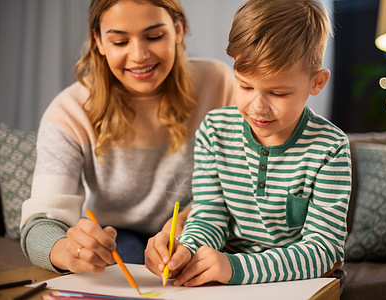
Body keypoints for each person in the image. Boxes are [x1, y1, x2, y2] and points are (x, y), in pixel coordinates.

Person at [145, 0, 351, 287]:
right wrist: (187, 250)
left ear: (316, 82)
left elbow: (323, 251)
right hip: (228, 278)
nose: (258, 107)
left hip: (298, 282)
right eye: (245, 86)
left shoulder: (330, 147)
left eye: (277, 93)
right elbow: (209, 216)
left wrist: (235, 267)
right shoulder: (215, 131)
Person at [20, 0, 234, 274]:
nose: (139, 55)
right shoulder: (68, 113)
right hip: (119, 237)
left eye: (154, 36)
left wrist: (187, 220)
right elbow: (41, 222)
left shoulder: (220, 84)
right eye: (120, 42)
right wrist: (65, 249)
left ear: (178, 30)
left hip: (202, 226)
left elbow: (238, 185)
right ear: (98, 41)